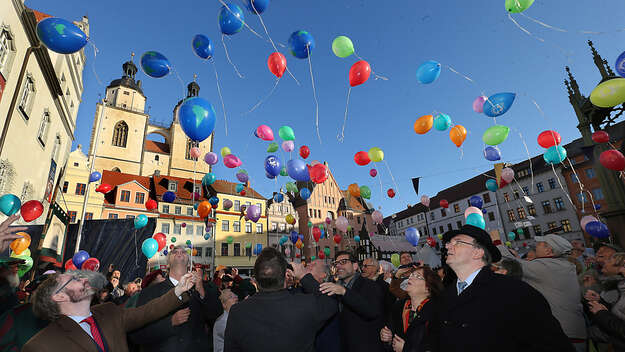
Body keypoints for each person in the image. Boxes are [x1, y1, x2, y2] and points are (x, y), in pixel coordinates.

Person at [426, 224, 574, 351]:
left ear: (478, 252)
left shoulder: (515, 292)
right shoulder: (444, 296)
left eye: (457, 242)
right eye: (448, 243)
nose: (447, 246)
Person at [22, 270, 195, 352]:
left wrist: (179, 290)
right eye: (74, 279)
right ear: (59, 297)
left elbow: (148, 311)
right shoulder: (40, 346)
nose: (83, 279)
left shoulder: (109, 312)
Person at [224, 247, 338, 352]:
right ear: (285, 277)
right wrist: (304, 276)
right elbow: (330, 302)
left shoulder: (238, 312)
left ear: (256, 280)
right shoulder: (306, 305)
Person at [497, 234, 587, 349]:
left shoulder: (547, 266)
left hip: (563, 335)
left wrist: (497, 244)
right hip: (571, 332)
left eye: (540, 244)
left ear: (549, 251)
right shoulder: (562, 265)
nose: (536, 246)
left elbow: (512, 264)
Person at [129, 246, 223, 352]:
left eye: (183, 252)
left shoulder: (204, 289)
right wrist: (170, 323)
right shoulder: (150, 292)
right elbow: (137, 334)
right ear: (168, 264)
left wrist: (202, 291)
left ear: (189, 263)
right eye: (175, 252)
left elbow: (217, 314)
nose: (179, 253)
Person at [319, 251, 385, 352]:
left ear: (355, 266)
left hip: (365, 346)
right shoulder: (335, 286)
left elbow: (372, 311)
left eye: (343, 262)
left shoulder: (370, 286)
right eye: (336, 263)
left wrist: (344, 292)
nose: (339, 266)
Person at [381, 265, 443, 352]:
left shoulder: (435, 311)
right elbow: (391, 342)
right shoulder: (399, 306)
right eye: (411, 275)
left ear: (427, 288)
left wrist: (406, 349)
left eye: (417, 276)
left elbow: (436, 346)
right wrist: (387, 338)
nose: (410, 278)